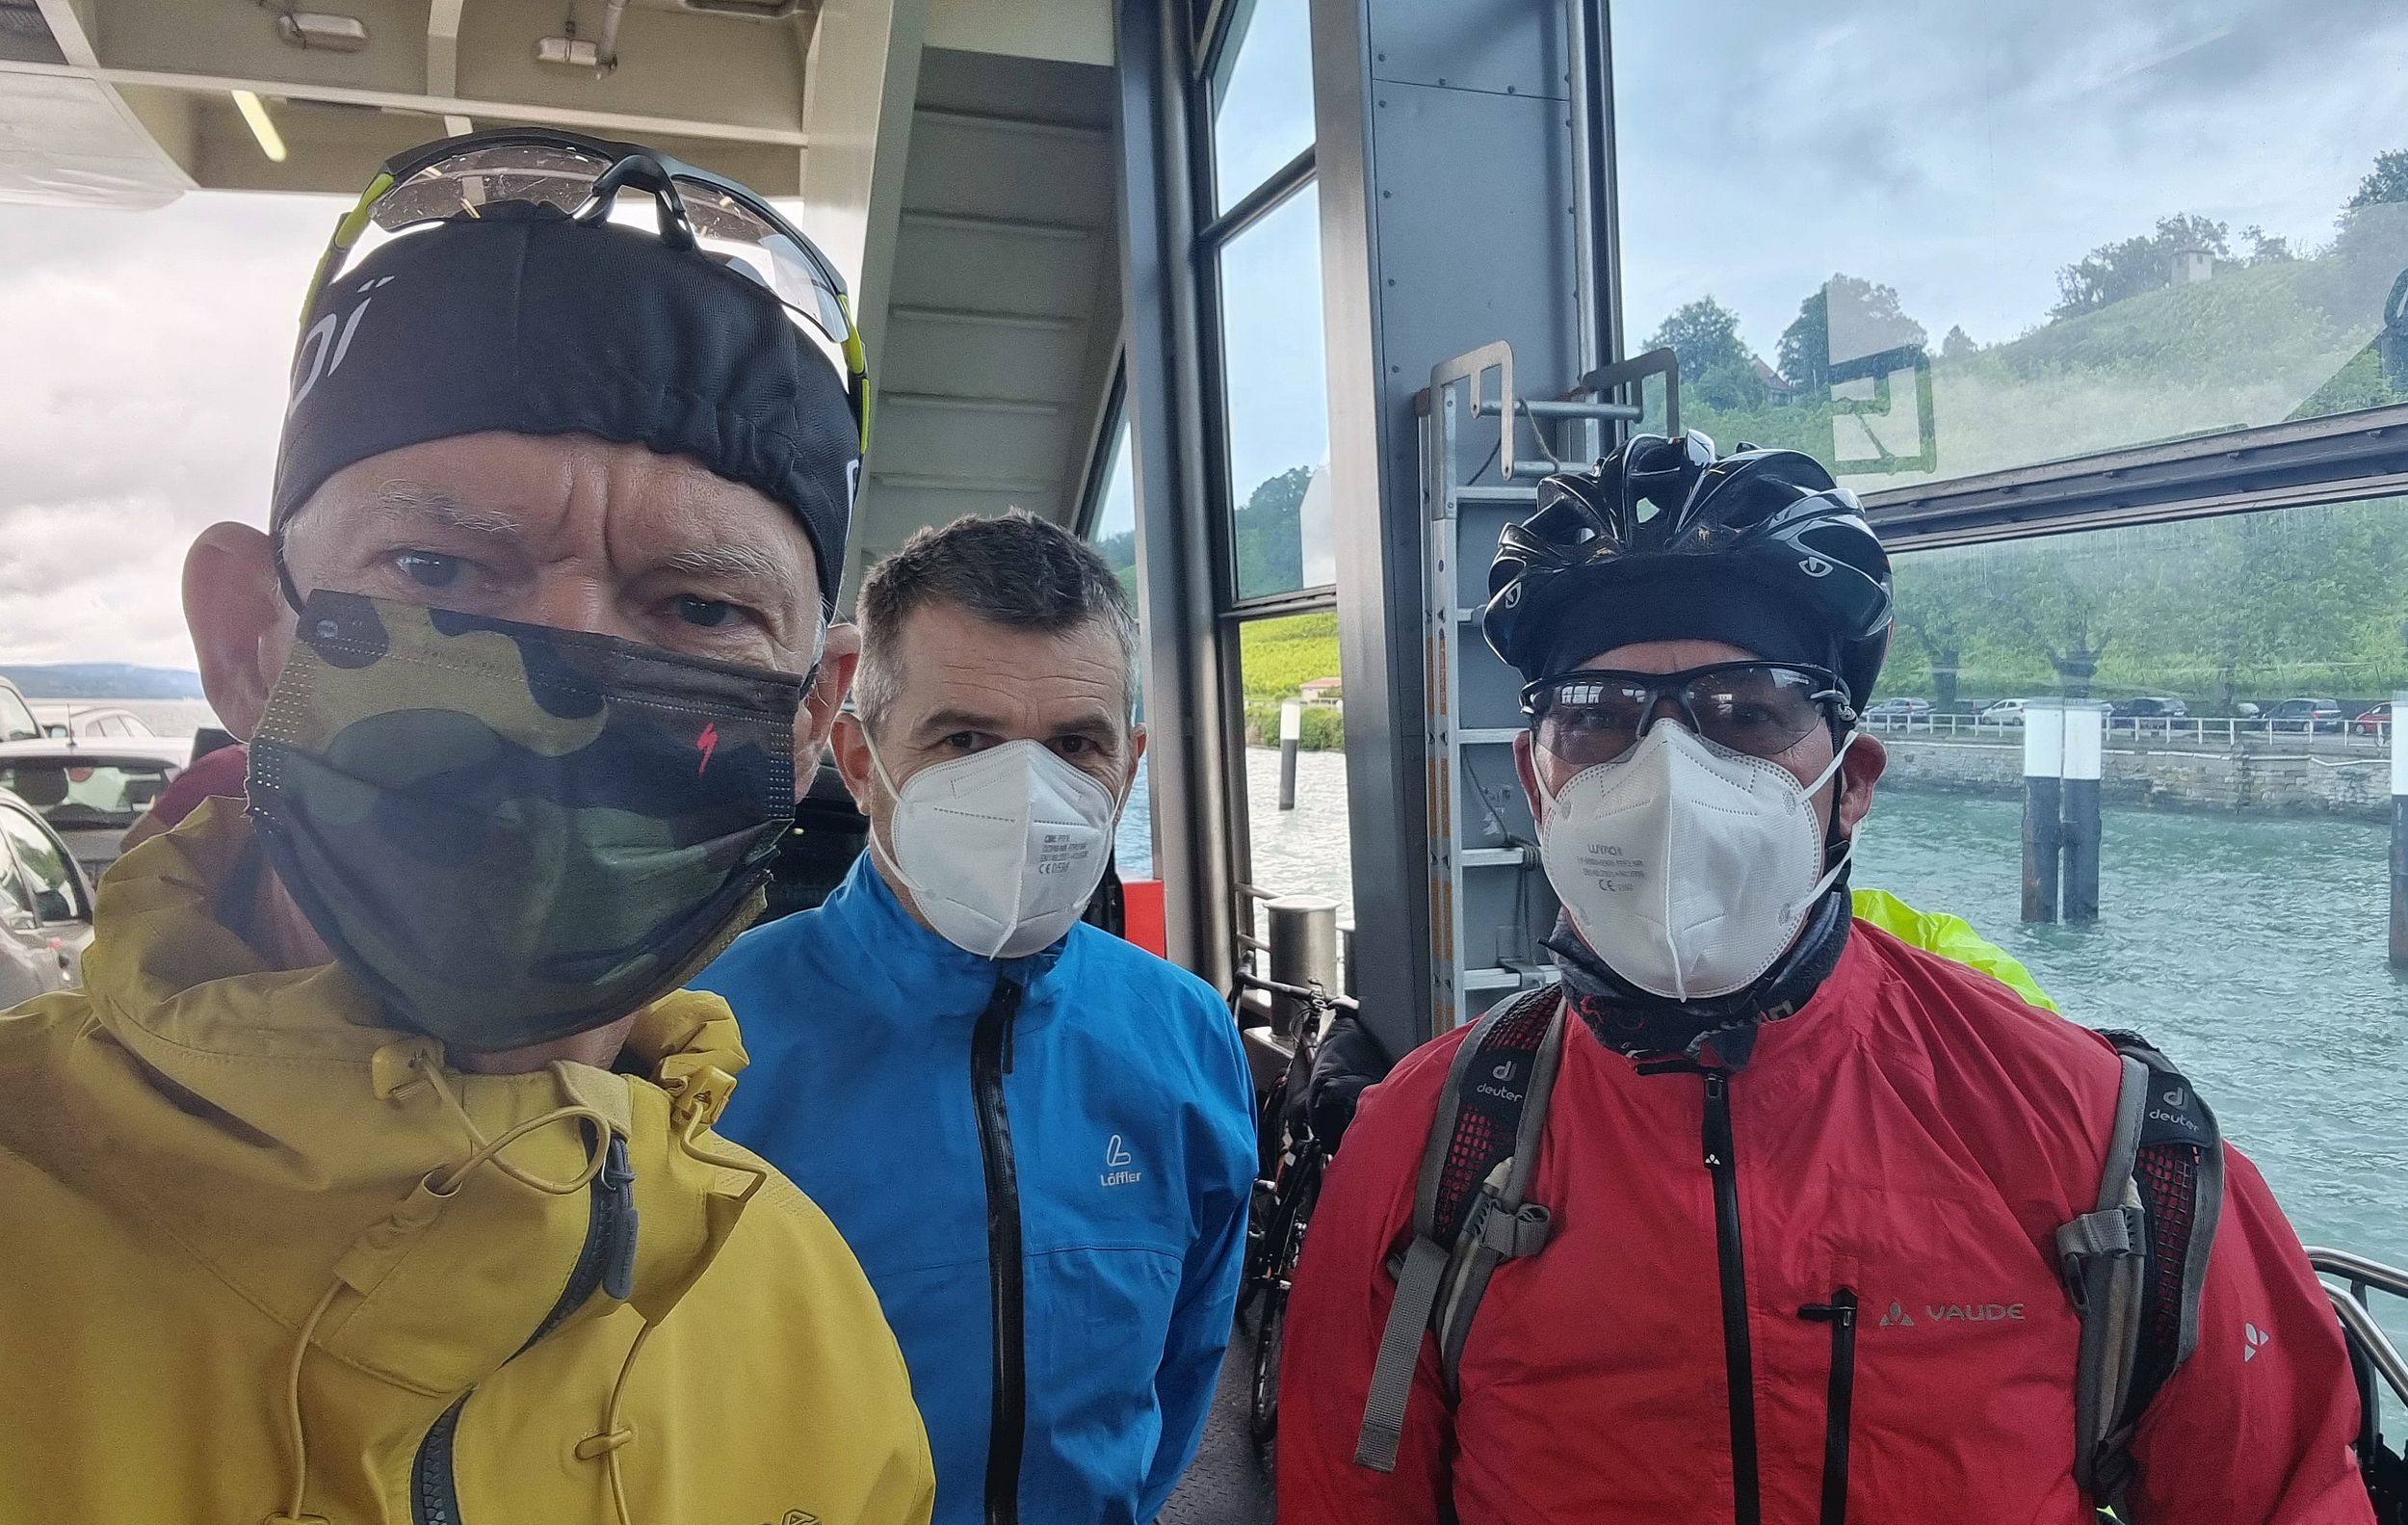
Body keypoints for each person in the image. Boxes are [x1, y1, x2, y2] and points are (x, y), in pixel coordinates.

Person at [0, 130, 932, 1525]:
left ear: (811, 718)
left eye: (700, 607)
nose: (552, 686)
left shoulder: (808, 1319)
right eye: (436, 566)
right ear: (249, 639)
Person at [1276, 433, 2369, 1523]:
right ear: (1536, 777)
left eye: (1746, 711)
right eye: (1599, 714)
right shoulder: (1429, 1147)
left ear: (1851, 781)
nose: (1667, 774)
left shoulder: (2103, 1143)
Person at [694, 511, 1255, 1525]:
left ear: (1127, 766)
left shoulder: (1183, 1035)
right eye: (964, 740)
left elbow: (1184, 1361)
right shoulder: (705, 1042)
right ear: (860, 761)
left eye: (1073, 744)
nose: (1027, 793)